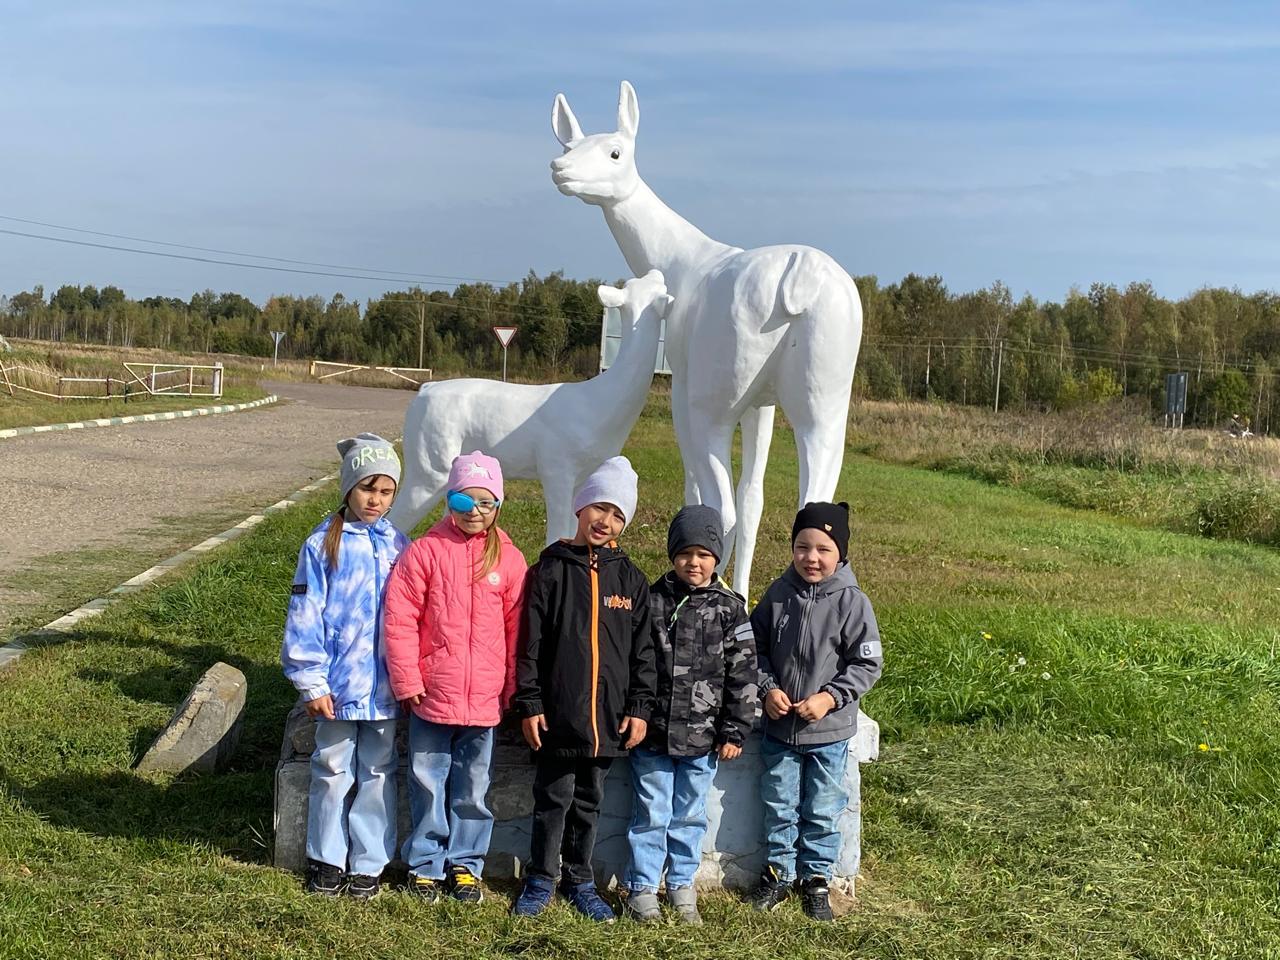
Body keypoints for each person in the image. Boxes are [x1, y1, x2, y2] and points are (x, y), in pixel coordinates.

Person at [511, 456, 657, 922]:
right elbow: (529, 645)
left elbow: (644, 653)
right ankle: (539, 878)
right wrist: (530, 702)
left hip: (608, 719)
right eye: (599, 507)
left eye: (618, 515)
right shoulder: (549, 571)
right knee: (552, 799)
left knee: (590, 800)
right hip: (558, 714)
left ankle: (579, 879)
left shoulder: (630, 579)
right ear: (580, 507)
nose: (606, 521)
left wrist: (639, 707)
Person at [383, 451, 528, 904]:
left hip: (484, 700)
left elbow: (517, 629)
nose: (474, 514)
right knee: (427, 780)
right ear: (449, 501)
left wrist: (511, 688)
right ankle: (426, 862)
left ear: (498, 507)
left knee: (472, 785)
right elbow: (400, 616)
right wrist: (407, 679)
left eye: (486, 504)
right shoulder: (425, 552)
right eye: (464, 503)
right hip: (432, 693)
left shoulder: (508, 558)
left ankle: (466, 864)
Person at [281, 433, 409, 900]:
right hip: (336, 688)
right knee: (333, 770)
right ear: (348, 487)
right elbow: (305, 614)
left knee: (378, 773)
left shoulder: (399, 544)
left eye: (385, 491)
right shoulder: (321, 545)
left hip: (384, 690)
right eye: (366, 488)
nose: (375, 500)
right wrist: (311, 680)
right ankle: (327, 858)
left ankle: (369, 863)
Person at [747, 501, 883, 922]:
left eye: (824, 549)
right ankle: (780, 874)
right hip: (779, 729)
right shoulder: (777, 594)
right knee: (779, 801)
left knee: (823, 806)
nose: (812, 557)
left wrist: (830, 697)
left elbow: (867, 663)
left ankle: (817, 879)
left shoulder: (852, 601)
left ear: (840, 553)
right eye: (803, 547)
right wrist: (768, 689)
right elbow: (754, 650)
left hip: (829, 731)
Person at [623, 504, 758, 925]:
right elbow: (633, 662)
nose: (693, 562)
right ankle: (642, 888)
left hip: (701, 739)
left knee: (688, 815)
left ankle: (682, 885)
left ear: (717, 557)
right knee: (650, 813)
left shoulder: (730, 608)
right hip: (653, 735)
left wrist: (735, 729)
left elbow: (744, 671)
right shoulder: (652, 598)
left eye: (702, 554)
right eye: (684, 553)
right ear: (672, 554)